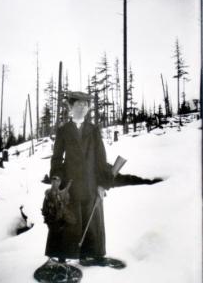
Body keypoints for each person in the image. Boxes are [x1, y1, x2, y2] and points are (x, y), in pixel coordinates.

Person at [44, 91, 161, 269]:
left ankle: (93, 255)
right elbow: (57, 158)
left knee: (93, 222)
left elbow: (100, 158)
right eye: (78, 105)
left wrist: (103, 183)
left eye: (85, 105)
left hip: (91, 183)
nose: (82, 108)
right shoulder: (63, 131)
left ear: (88, 108)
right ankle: (61, 258)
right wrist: (56, 180)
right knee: (68, 220)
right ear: (70, 107)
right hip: (70, 185)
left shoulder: (93, 130)